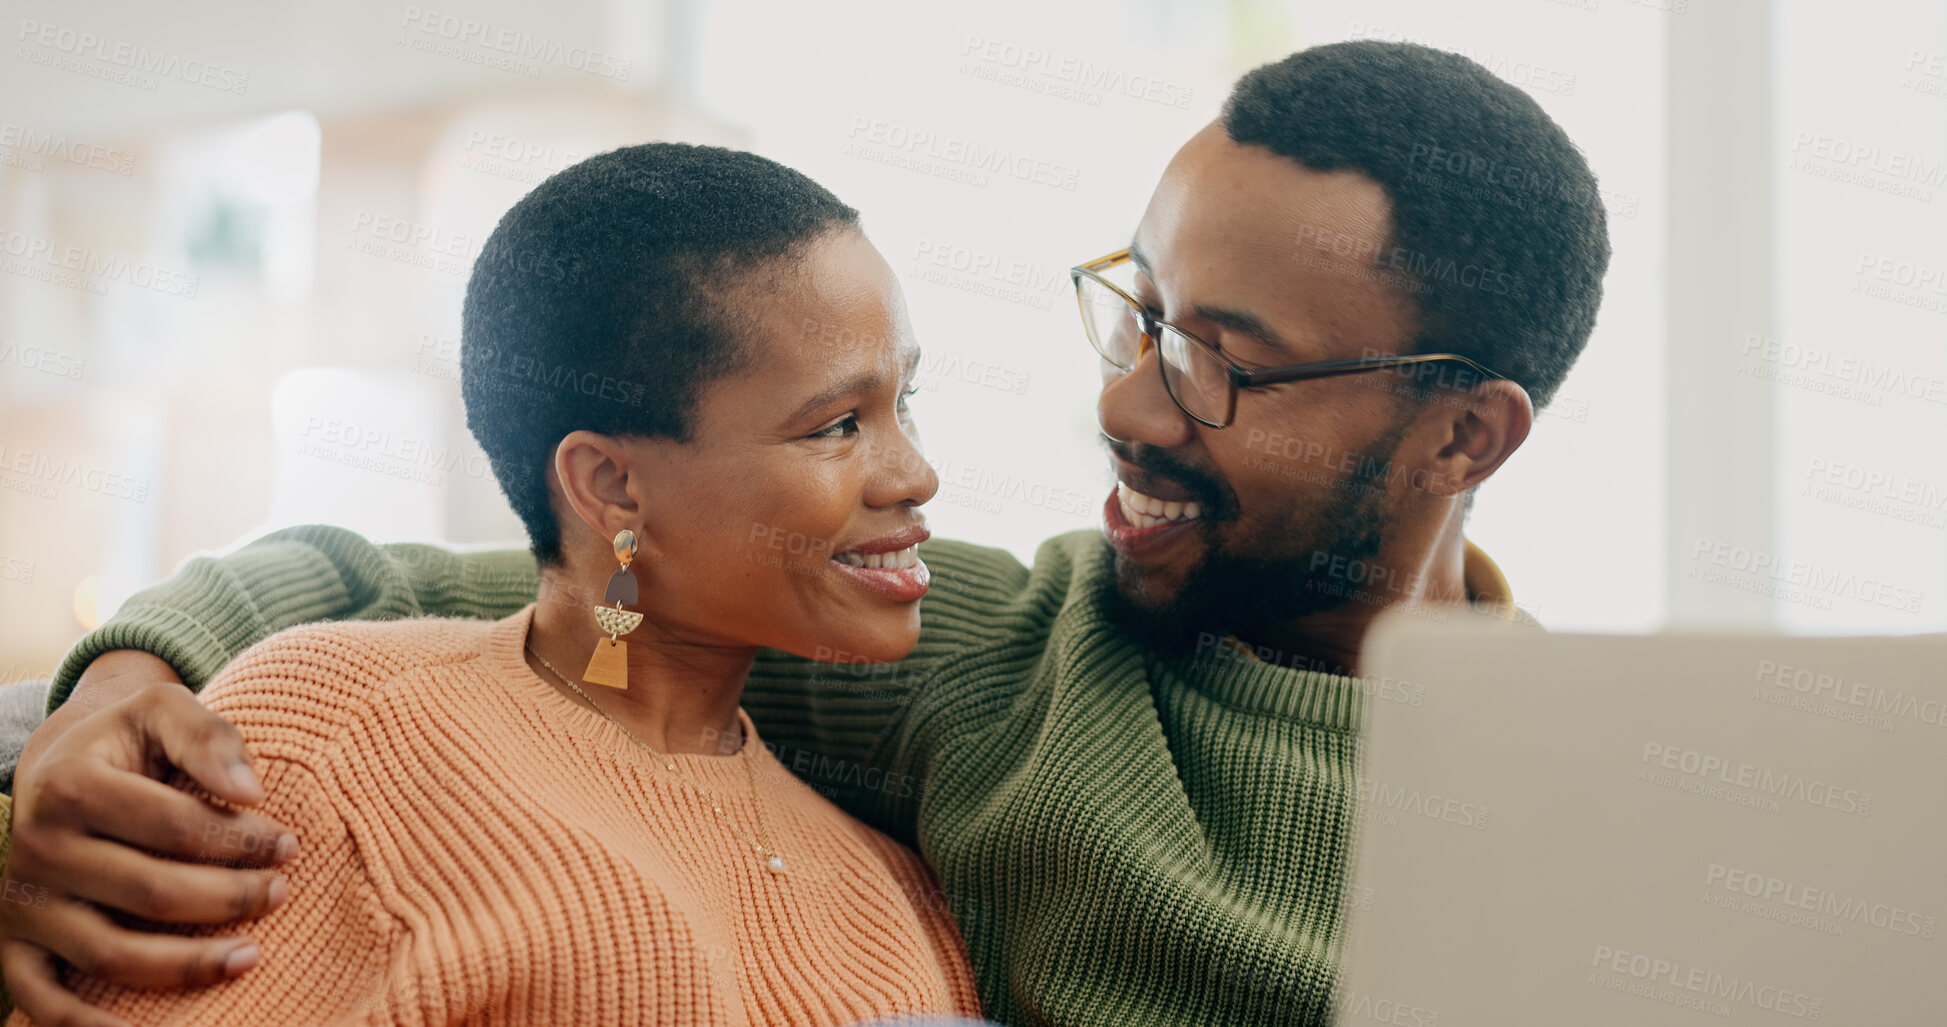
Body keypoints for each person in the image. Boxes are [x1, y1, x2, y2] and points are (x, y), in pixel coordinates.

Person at [1, 40, 1609, 1027]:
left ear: (1462, 433)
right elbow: (447, 583)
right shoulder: (1008, 656)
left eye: (1221, 362)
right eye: (1139, 312)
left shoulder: (1609, 799)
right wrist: (123, 673)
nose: (1127, 407)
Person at [2, 142, 985, 1025]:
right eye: (836, 425)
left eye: (904, 402)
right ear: (611, 485)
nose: (916, 474)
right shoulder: (326, 740)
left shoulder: (896, 888)